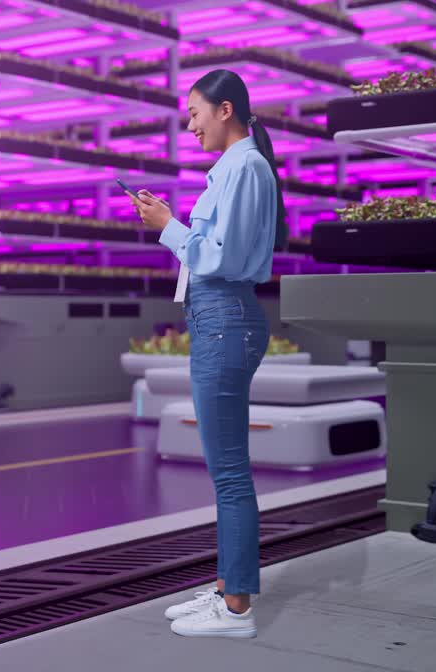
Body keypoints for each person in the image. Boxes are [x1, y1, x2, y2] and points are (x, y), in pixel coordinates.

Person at [130, 69, 287, 640]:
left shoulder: (244, 168)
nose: (191, 126)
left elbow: (224, 258)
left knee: (230, 473)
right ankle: (228, 587)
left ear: (225, 110)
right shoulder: (234, 169)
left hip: (225, 319)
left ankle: (237, 609)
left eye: (195, 114)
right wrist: (173, 223)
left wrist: (168, 226)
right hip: (218, 319)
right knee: (226, 471)